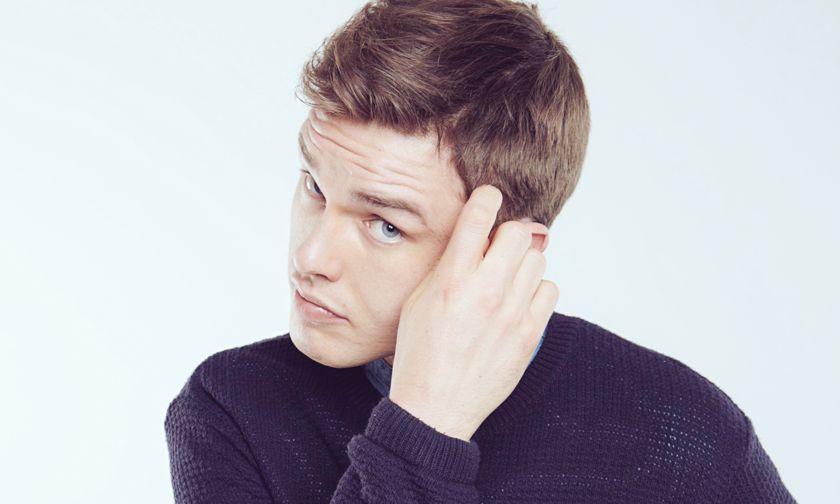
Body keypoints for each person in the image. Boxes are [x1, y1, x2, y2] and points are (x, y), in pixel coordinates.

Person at [164, 1, 796, 502]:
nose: (312, 256)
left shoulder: (683, 433)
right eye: (315, 187)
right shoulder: (233, 408)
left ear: (508, 250)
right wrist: (425, 426)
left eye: (386, 225)